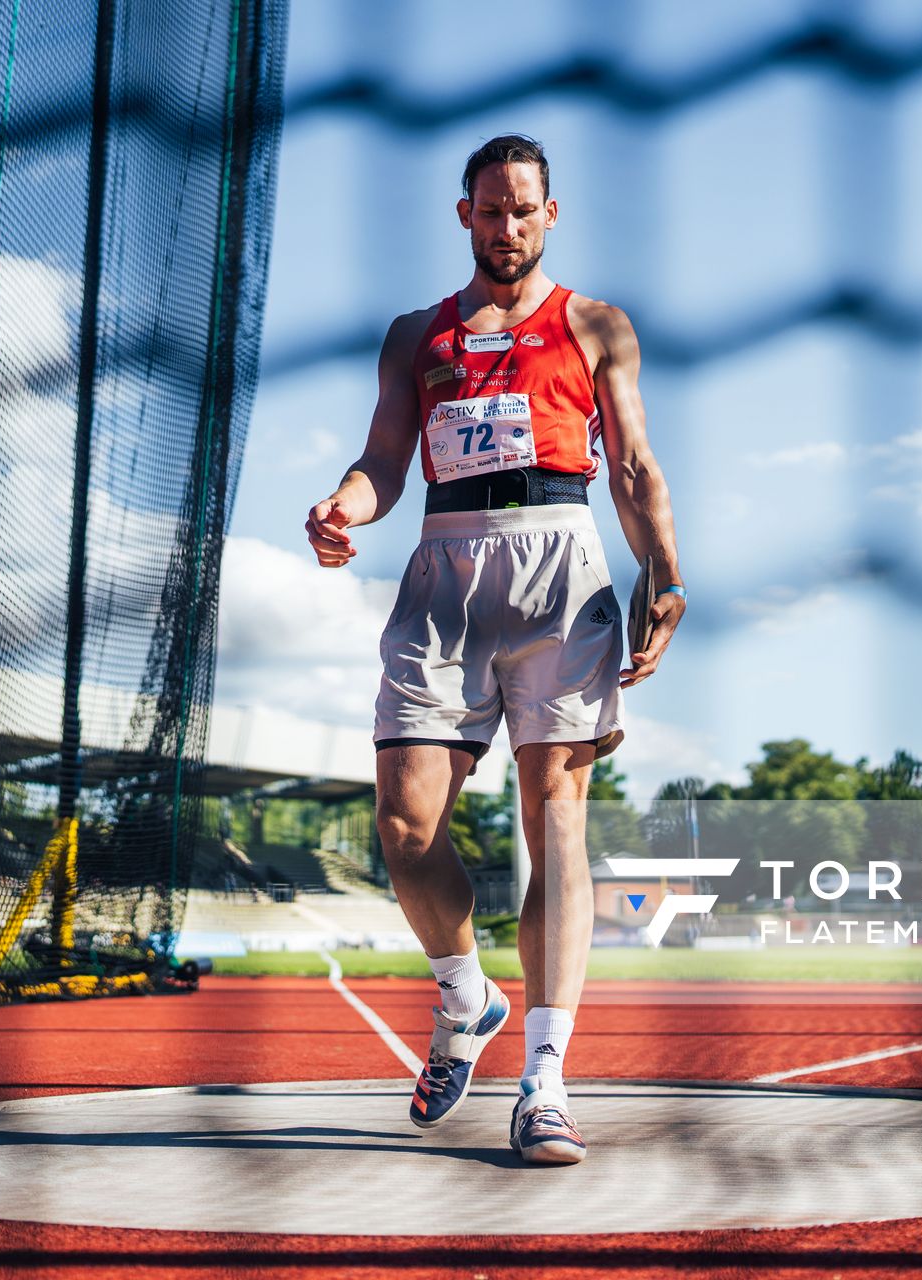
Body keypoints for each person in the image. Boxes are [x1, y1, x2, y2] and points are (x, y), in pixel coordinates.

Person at [305, 134, 685, 1165]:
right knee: (403, 816)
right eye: (489, 209)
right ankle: (464, 993)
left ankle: (547, 1081)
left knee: (555, 816)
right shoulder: (413, 334)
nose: (506, 226)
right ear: (463, 214)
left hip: (558, 564)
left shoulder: (596, 324)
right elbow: (385, 459)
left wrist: (666, 572)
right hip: (444, 565)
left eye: (524, 209)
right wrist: (346, 504)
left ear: (549, 214)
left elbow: (635, 463)